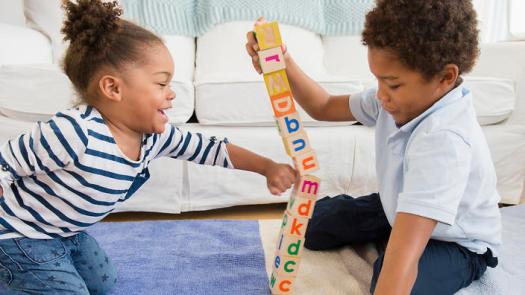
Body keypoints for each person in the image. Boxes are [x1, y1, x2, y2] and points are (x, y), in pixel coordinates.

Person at [0, 0, 297, 294]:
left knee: (103, 284)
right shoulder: (74, 131)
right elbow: (8, 159)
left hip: (66, 232)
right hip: (18, 233)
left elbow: (211, 149)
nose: (171, 95)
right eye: (161, 84)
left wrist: (266, 167)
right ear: (113, 88)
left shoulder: (155, 137)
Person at [245, 0, 501, 294]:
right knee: (313, 225)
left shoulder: (445, 142)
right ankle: (389, 225)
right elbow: (324, 106)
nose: (381, 95)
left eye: (392, 84)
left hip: (457, 241)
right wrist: (283, 61)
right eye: (378, 80)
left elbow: (403, 260)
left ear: (446, 77)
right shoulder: (396, 100)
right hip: (399, 204)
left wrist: (397, 259)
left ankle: (395, 232)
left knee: (391, 274)